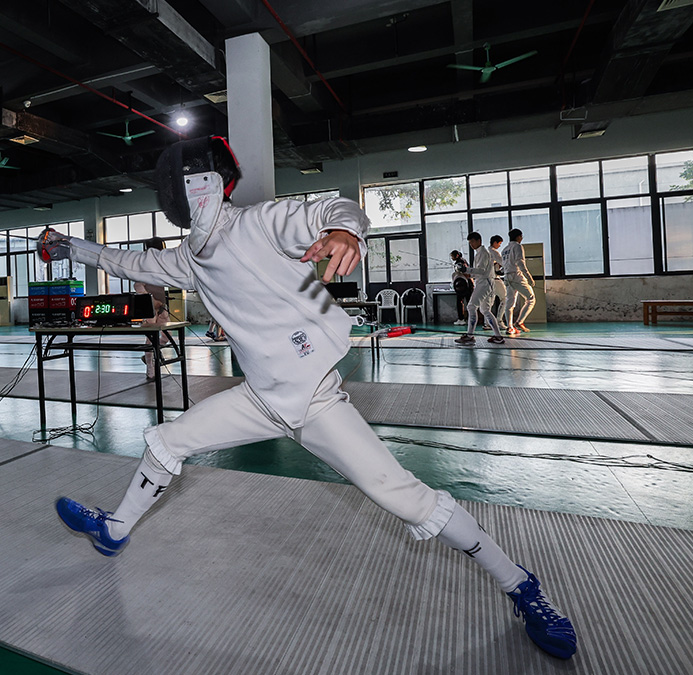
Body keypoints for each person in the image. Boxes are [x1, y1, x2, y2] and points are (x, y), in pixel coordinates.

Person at [41, 136, 574, 660]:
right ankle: (114, 530)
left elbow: (334, 208)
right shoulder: (186, 260)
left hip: (316, 400)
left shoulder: (261, 222)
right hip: (259, 398)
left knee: (406, 498)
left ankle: (521, 585)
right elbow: (127, 262)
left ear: (205, 185)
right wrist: (70, 247)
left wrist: (343, 231)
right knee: (168, 442)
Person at [456, 233, 506, 346]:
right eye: (470, 243)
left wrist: (467, 269)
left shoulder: (483, 253)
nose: (471, 244)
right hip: (486, 283)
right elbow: (478, 272)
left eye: (472, 242)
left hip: (484, 283)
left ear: (479, 240)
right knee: (485, 310)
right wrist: (467, 273)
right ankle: (498, 336)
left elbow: (481, 270)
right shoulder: (480, 253)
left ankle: (470, 336)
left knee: (471, 306)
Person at [134, 237, 172, 379]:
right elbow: (137, 285)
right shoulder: (144, 266)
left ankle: (149, 355)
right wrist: (151, 300)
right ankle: (150, 369)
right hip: (149, 308)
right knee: (151, 338)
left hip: (162, 306)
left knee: (167, 336)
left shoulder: (160, 266)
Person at [502, 229, 536, 334]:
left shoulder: (504, 249)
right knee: (531, 299)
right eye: (521, 236)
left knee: (509, 303)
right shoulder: (517, 246)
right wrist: (529, 277)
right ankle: (519, 322)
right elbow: (520, 262)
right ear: (518, 237)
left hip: (507, 277)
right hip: (516, 276)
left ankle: (510, 327)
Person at [488, 235, 510, 332]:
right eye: (499, 243)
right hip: (495, 279)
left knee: (489, 302)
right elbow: (503, 262)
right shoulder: (494, 252)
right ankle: (499, 321)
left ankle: (487, 323)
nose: (500, 246)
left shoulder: (486, 252)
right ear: (495, 242)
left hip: (487, 280)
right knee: (505, 298)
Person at [449, 250, 471, 326]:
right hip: (468, 284)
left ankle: (461, 319)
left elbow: (463, 271)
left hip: (462, 285)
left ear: (457, 255)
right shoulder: (464, 261)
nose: (452, 258)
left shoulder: (460, 262)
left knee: (460, 302)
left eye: (452, 256)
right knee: (469, 302)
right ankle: (470, 318)